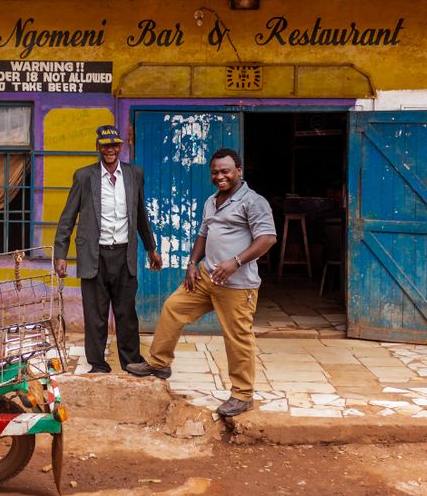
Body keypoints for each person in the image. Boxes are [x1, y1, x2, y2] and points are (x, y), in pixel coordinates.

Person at [127, 148, 277, 418]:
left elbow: (267, 238)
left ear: (239, 171)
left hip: (237, 284)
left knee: (238, 337)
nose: (220, 176)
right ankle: (160, 363)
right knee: (173, 307)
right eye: (216, 172)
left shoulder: (254, 202)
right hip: (208, 276)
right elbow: (203, 235)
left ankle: (242, 395)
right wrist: (192, 263)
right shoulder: (212, 201)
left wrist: (236, 262)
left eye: (226, 171)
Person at [55, 125, 162, 373]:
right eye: (105, 145)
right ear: (98, 148)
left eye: (114, 145)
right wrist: (60, 254)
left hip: (124, 253)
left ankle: (132, 361)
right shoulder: (84, 176)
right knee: (95, 315)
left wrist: (151, 248)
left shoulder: (134, 174)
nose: (110, 150)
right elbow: (67, 218)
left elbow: (140, 214)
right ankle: (98, 365)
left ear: (120, 147)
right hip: (95, 255)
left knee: (126, 312)